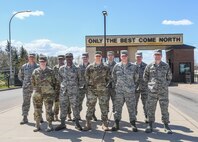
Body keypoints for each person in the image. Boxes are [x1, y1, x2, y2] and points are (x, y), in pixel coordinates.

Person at [144, 49, 172, 134]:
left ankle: (166, 125)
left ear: (161, 56)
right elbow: (145, 77)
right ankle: (150, 125)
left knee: (164, 109)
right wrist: (150, 85)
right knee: (151, 109)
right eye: (156, 54)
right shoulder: (149, 66)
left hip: (163, 92)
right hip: (152, 92)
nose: (157, 56)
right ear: (153, 56)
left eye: (159, 55)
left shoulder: (166, 66)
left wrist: (165, 85)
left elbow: (169, 77)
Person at [111, 50, 139, 132]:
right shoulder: (116, 66)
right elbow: (114, 77)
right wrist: (117, 86)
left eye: (125, 56)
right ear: (120, 57)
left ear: (127, 57)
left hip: (130, 91)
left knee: (131, 108)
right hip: (119, 91)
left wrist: (132, 87)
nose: (124, 57)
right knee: (118, 108)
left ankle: (133, 123)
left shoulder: (133, 66)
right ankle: (116, 123)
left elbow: (136, 78)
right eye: (122, 56)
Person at [55, 53, 82, 131]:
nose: (68, 59)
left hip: (74, 92)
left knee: (75, 107)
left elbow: (80, 80)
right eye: (67, 57)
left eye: (70, 57)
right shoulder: (61, 69)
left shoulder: (77, 68)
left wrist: (76, 88)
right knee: (63, 107)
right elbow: (60, 79)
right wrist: (63, 86)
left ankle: (77, 123)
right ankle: (63, 124)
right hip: (64, 92)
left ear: (72, 58)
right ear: (65, 59)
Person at [84, 51, 110, 131]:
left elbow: (109, 78)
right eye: (96, 56)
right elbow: (86, 77)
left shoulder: (106, 67)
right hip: (92, 90)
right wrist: (90, 86)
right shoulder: (90, 67)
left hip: (102, 91)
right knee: (90, 107)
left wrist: (105, 86)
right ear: (94, 57)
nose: (98, 57)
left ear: (101, 57)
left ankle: (104, 124)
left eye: (99, 56)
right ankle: (88, 123)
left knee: (104, 107)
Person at [31, 55, 56, 132]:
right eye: (41, 61)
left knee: (49, 110)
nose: (42, 63)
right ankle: (37, 125)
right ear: (39, 62)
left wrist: (52, 91)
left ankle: (50, 125)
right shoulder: (35, 71)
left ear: (46, 62)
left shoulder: (51, 71)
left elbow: (54, 82)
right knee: (37, 109)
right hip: (38, 94)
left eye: (43, 61)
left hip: (48, 94)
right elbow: (33, 82)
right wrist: (36, 90)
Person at [18, 53, 39, 125]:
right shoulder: (24, 66)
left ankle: (39, 117)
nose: (31, 58)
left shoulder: (38, 66)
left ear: (35, 58)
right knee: (26, 102)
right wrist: (25, 82)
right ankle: (25, 117)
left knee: (37, 102)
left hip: (36, 87)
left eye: (33, 57)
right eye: (30, 57)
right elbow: (20, 76)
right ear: (28, 58)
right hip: (26, 87)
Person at [134, 52, 148, 122]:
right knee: (134, 103)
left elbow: (149, 77)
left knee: (146, 103)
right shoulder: (132, 66)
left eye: (140, 57)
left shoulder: (146, 66)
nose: (138, 58)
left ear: (142, 57)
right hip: (135, 88)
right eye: (137, 57)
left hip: (144, 88)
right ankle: (134, 116)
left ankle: (147, 116)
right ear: (135, 57)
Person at [52, 55, 65, 121]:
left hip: (65, 88)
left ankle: (68, 115)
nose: (61, 61)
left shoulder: (66, 67)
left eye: (62, 59)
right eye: (59, 59)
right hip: (56, 87)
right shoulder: (55, 68)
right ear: (58, 60)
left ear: (64, 60)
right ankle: (56, 115)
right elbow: (52, 78)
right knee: (56, 102)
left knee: (66, 102)